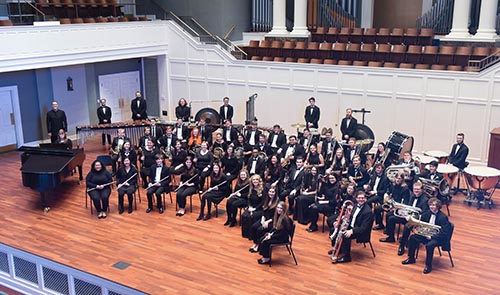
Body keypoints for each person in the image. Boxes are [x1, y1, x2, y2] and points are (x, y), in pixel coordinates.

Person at [402, 197, 452, 274]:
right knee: (413, 238)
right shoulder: (427, 213)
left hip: (437, 237)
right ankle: (411, 258)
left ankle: (428, 265)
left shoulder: (443, 217)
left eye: (434, 205)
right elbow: (421, 221)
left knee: (429, 245)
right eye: (430, 205)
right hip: (426, 234)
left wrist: (432, 237)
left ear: (438, 206)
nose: (431, 207)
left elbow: (444, 233)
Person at [381, 181, 430, 257]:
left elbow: (424, 215)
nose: (416, 191)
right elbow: (408, 207)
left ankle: (402, 246)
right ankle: (391, 237)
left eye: (418, 189)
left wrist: (412, 217)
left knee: (407, 227)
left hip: (417, 220)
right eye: (414, 189)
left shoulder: (425, 200)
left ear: (422, 190)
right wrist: (403, 213)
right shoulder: (411, 196)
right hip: (407, 216)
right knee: (391, 218)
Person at [329, 191, 374, 263]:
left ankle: (347, 257)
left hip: (359, 231)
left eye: (362, 198)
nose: (361, 200)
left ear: (365, 199)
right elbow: (350, 216)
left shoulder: (368, 212)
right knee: (334, 229)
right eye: (359, 198)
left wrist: (352, 231)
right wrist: (339, 221)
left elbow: (364, 228)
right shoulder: (355, 205)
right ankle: (338, 249)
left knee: (345, 235)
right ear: (356, 199)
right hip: (351, 226)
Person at [249, 186, 280, 252]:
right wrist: (263, 218)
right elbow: (264, 210)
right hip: (265, 218)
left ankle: (259, 246)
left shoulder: (277, 202)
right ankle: (255, 243)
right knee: (254, 227)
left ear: (275, 193)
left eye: (273, 192)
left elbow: (276, 216)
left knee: (260, 229)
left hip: (272, 221)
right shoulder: (267, 199)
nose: (271, 193)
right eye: (270, 191)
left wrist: (267, 222)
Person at [241, 174, 265, 239]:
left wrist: (255, 209)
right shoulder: (251, 188)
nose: (255, 181)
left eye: (256, 179)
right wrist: (249, 206)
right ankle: (246, 234)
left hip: (259, 208)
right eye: (253, 180)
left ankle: (252, 235)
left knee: (252, 216)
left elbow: (262, 202)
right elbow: (248, 199)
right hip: (251, 207)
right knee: (244, 215)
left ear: (259, 181)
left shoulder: (263, 190)